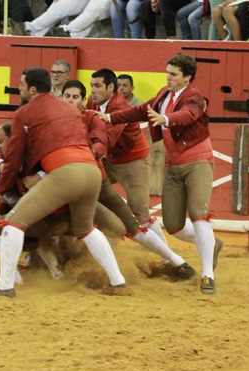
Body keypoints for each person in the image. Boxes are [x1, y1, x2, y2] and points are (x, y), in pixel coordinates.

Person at [0, 66, 127, 298]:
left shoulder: (24, 113)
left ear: (32, 89)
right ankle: (118, 281)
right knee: (86, 229)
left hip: (65, 173)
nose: (19, 88)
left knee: (12, 223)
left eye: (21, 84)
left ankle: (5, 286)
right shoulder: (70, 109)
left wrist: (2, 188)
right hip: (91, 171)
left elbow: (14, 157)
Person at [98, 54, 224, 294]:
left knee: (198, 213)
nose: (168, 77)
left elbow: (187, 115)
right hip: (173, 165)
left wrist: (165, 118)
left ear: (187, 77)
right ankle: (211, 243)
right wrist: (111, 117)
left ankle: (208, 275)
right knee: (174, 225)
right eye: (167, 73)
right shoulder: (164, 95)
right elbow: (140, 111)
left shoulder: (196, 97)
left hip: (198, 161)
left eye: (173, 74)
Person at [62, 79, 195, 280]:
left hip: (121, 166)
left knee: (137, 216)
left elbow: (103, 142)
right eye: (67, 96)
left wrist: (86, 153)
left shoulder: (96, 116)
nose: (71, 100)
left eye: (75, 97)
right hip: (96, 171)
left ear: (83, 100)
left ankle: (174, 262)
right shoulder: (70, 116)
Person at [86, 68, 167, 247]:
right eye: (91, 85)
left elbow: (106, 140)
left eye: (97, 86)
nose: (92, 90)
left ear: (110, 87)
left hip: (133, 160)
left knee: (140, 211)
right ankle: (108, 238)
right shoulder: (92, 101)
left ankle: (167, 254)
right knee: (86, 194)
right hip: (109, 160)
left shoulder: (120, 107)